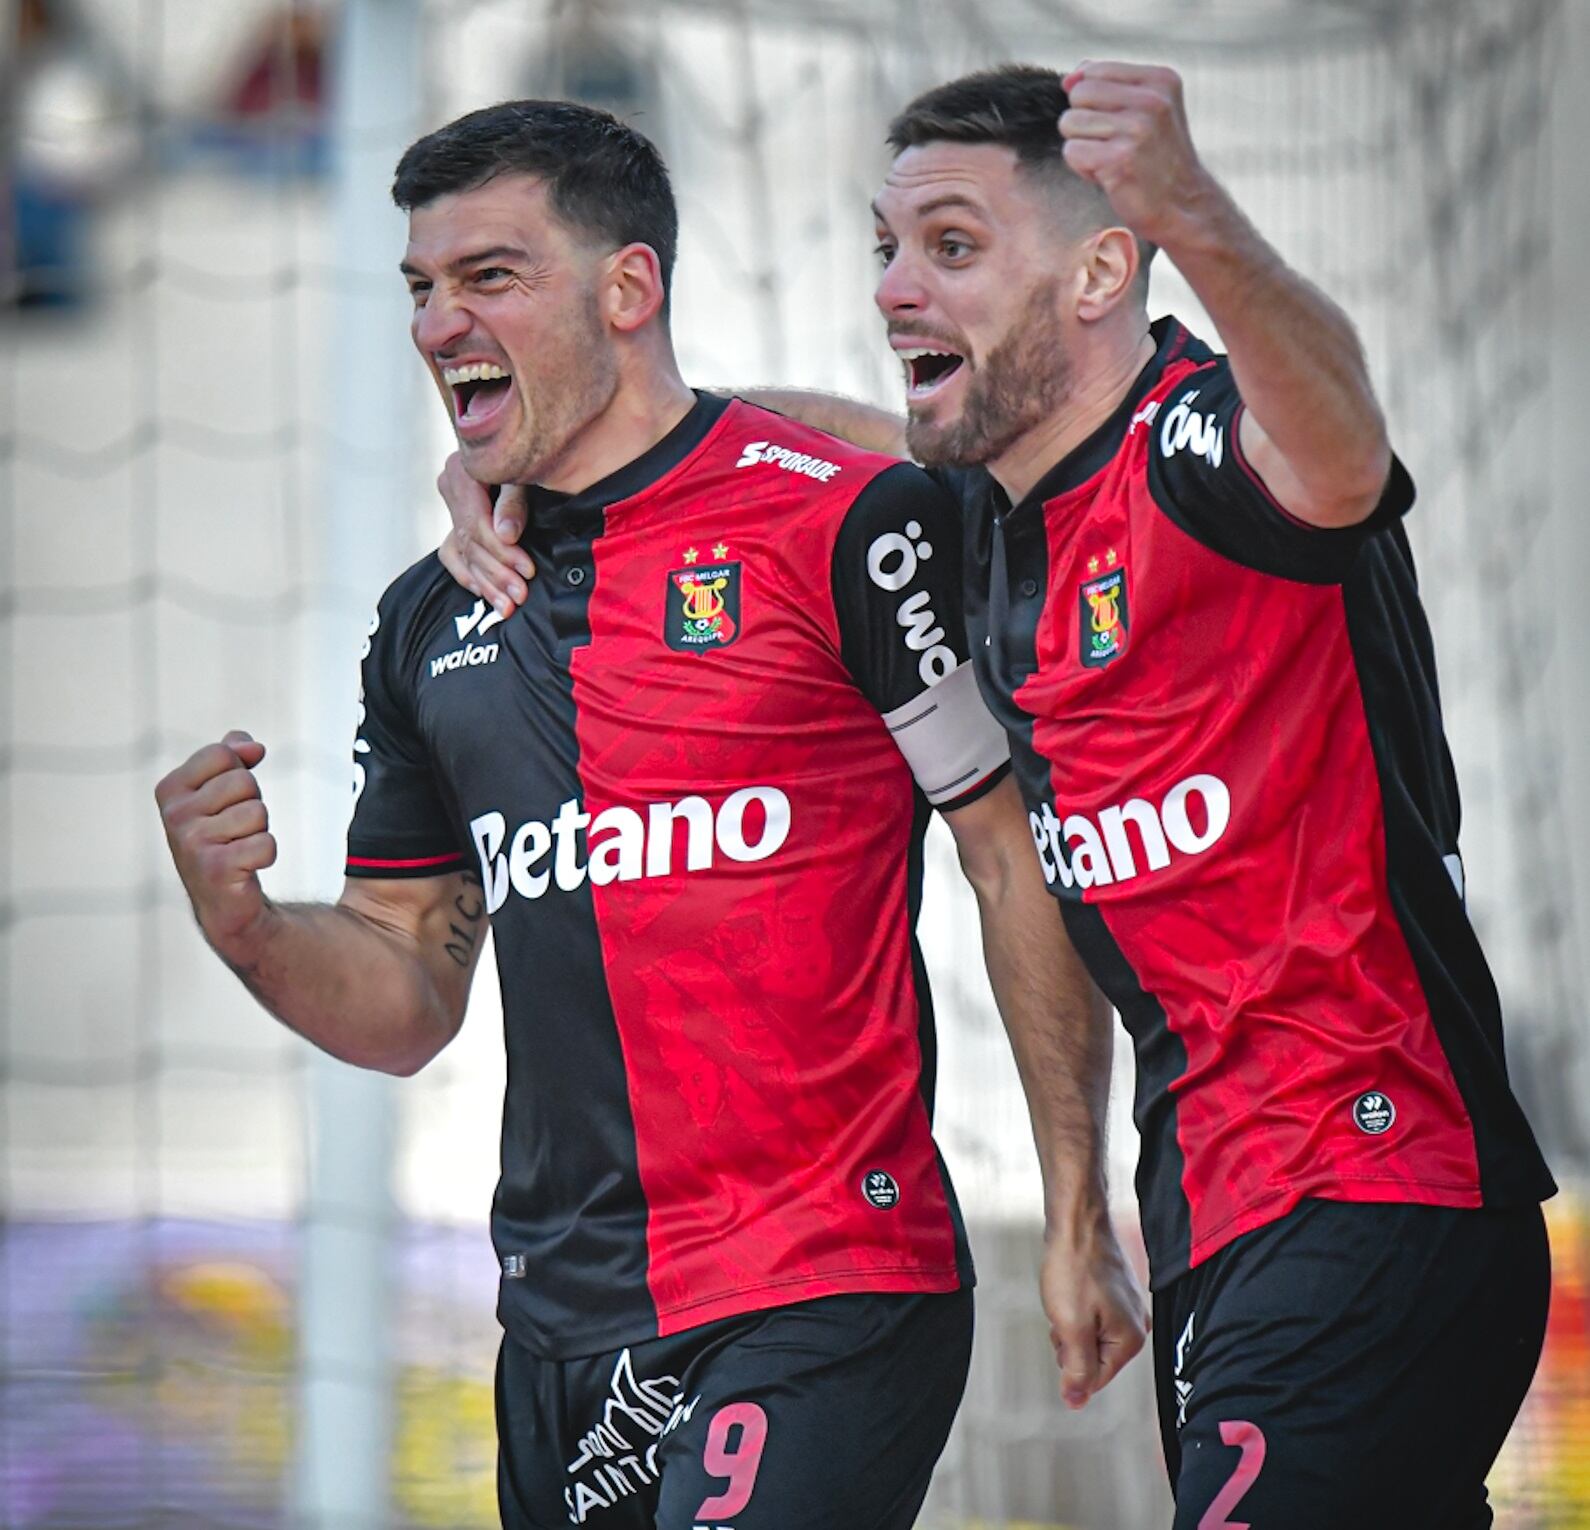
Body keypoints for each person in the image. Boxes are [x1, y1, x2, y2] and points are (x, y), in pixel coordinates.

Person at [443, 64, 1558, 1529]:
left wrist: (1195, 212)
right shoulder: (984, 517)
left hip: (1369, 1172)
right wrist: (531, 457)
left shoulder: (1204, 450)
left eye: (951, 248)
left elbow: (1342, 444)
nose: (898, 289)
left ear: (1104, 268)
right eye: (884, 250)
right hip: (1217, 1212)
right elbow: (775, 437)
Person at [154, 100, 1146, 1530]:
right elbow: (405, 990)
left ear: (629, 290)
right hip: (561, 1332)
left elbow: (1008, 859)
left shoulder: (843, 526)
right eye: (421, 288)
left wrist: (1071, 1212)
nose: (439, 323)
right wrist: (244, 923)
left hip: (824, 1281)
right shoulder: (429, 621)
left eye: (489, 276)